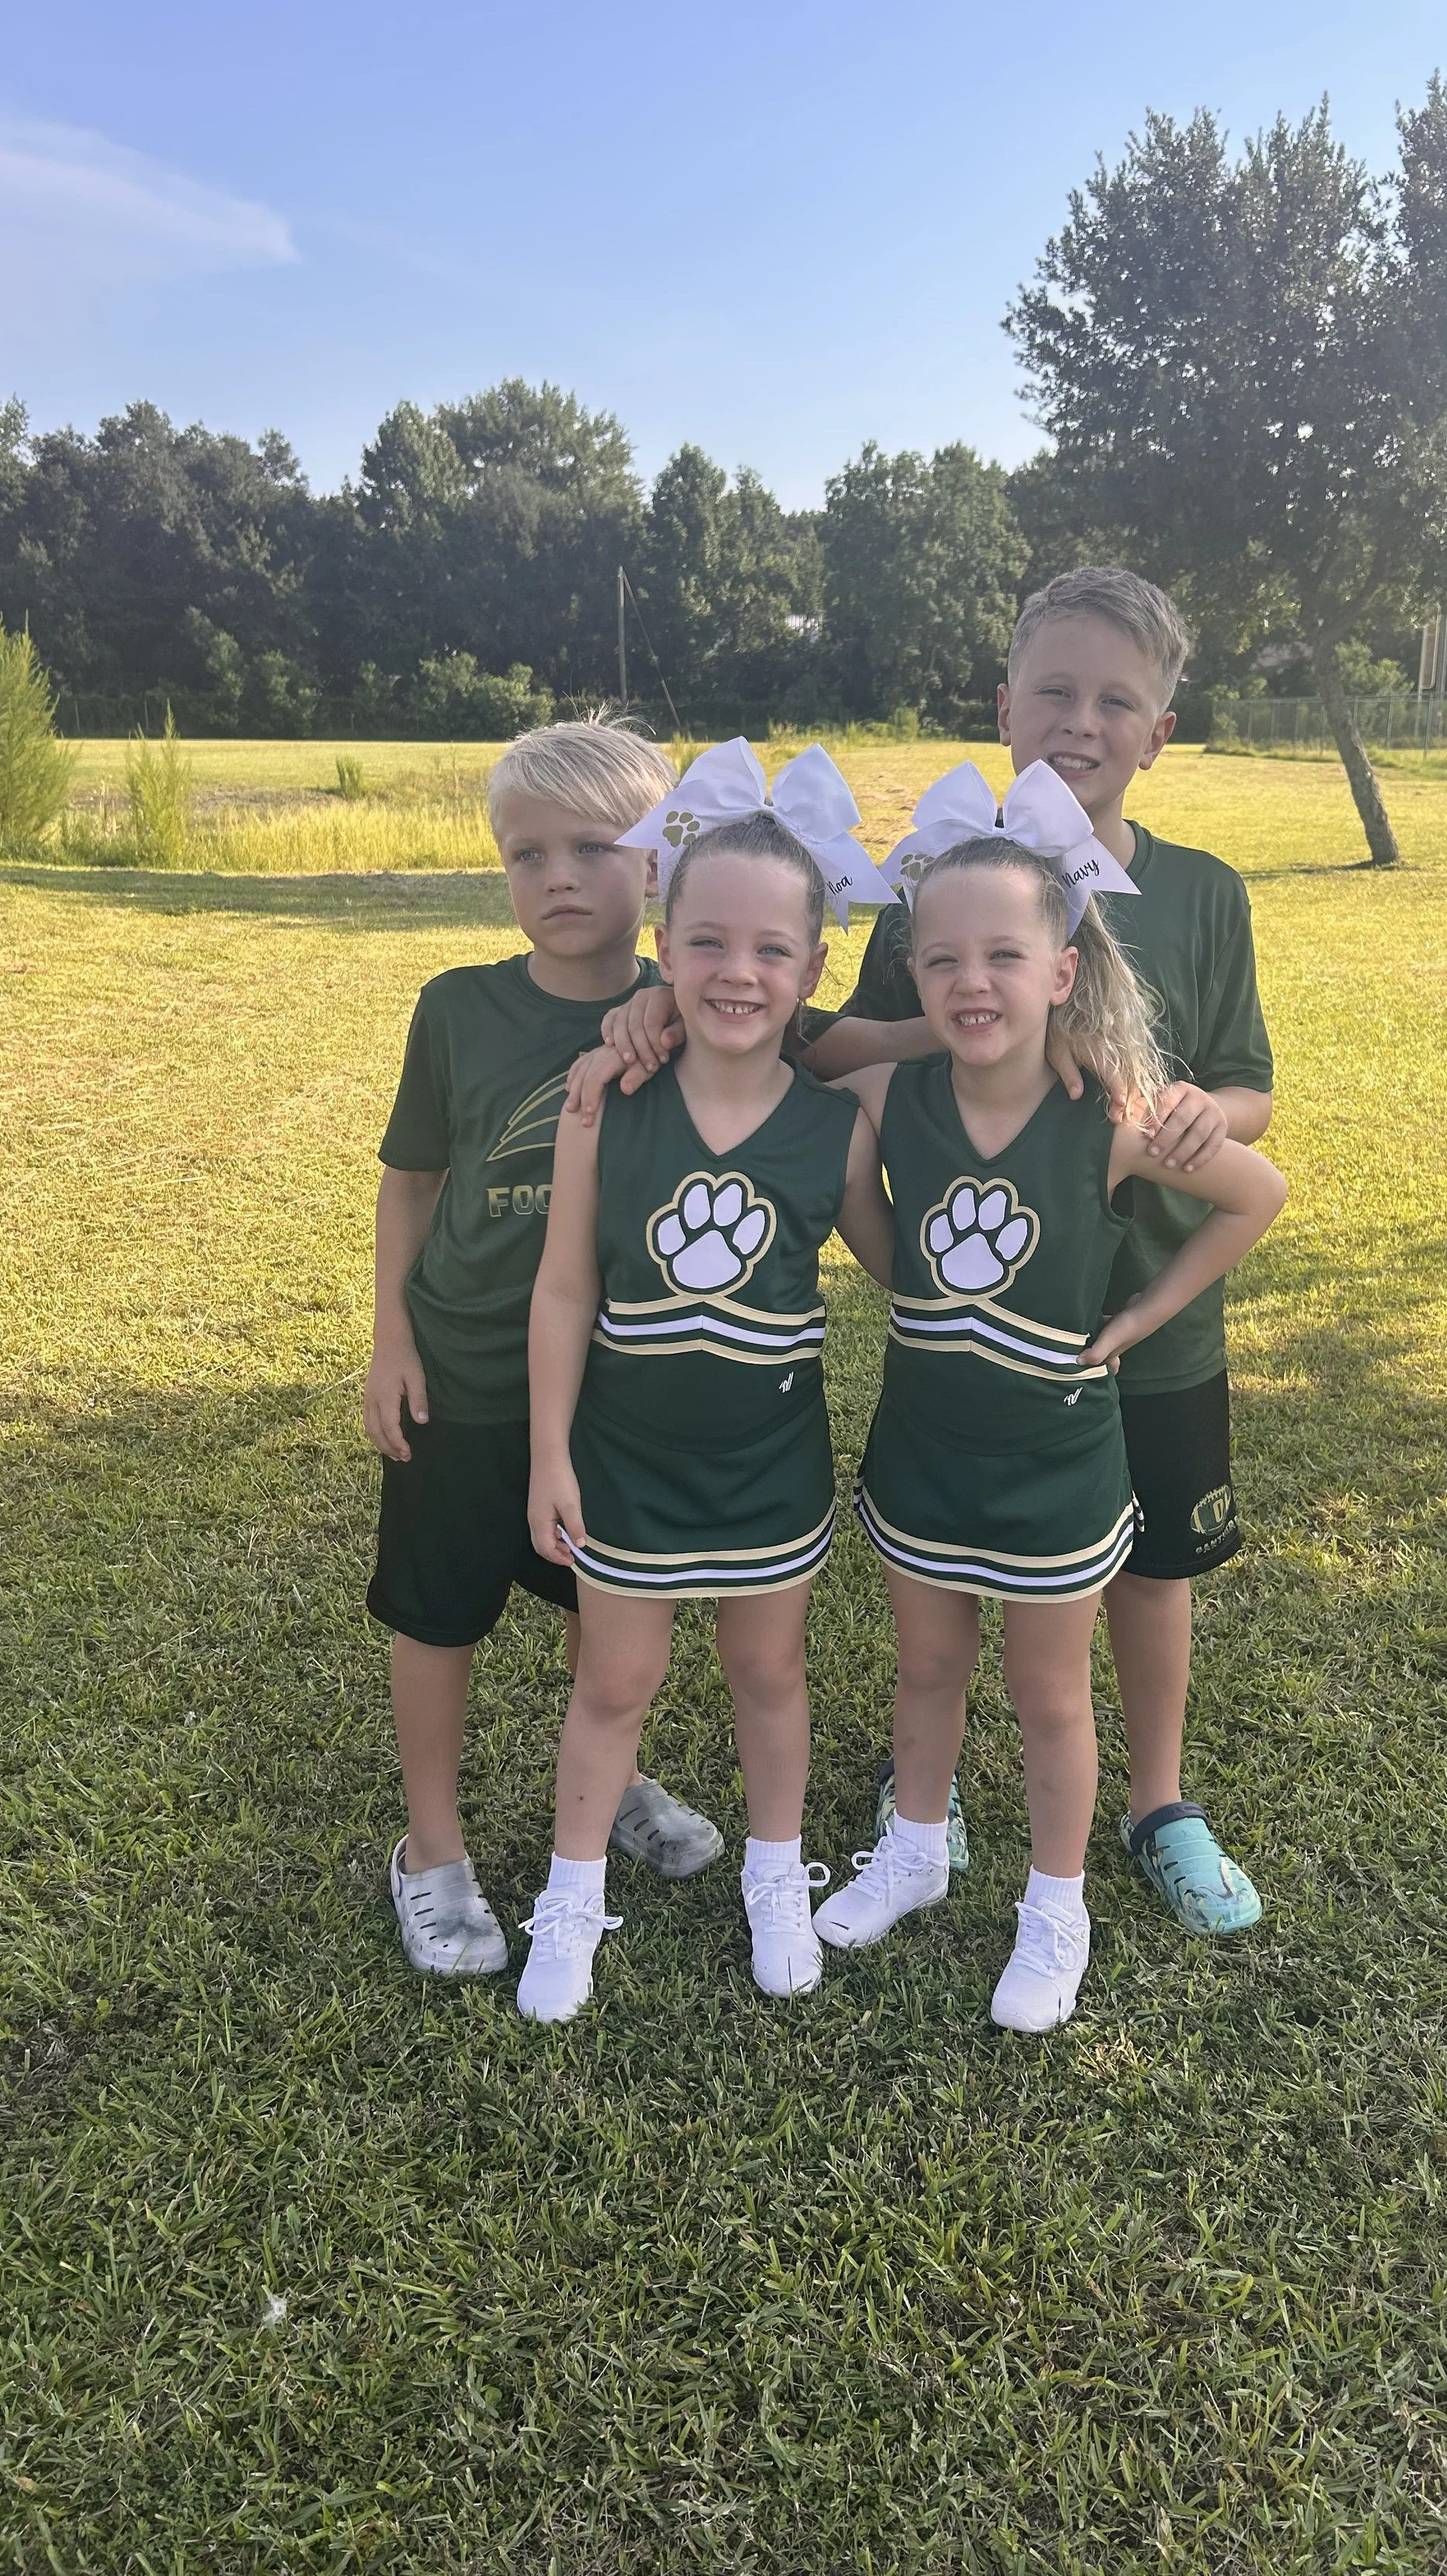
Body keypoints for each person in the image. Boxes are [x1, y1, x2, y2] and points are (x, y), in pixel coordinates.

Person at [585, 568, 1278, 1938]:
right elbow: (822, 1043)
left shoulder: (1204, 892)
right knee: (956, 1580)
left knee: (1141, 1571)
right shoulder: (933, 897)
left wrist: (1172, 1103)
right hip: (978, 1316)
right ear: (1004, 705)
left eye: (1116, 701)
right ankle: (932, 1805)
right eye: (1055, 693)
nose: (1082, 722)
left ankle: (1160, 1805)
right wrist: (991, 1036)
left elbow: (1251, 1092)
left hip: (1142, 1315)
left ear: (1164, 729)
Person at [809, 766, 1286, 2031]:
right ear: (914, 980)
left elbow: (1260, 1194)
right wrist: (891, 1265)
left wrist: (1140, 1316)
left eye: (1005, 957)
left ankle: (1054, 1906)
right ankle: (913, 1853)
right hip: (922, 1448)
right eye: (944, 961)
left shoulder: (1106, 1117)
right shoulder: (894, 1093)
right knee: (923, 1668)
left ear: (1063, 971)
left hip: (1057, 1467)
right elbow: (815, 1087)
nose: (973, 982)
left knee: (1049, 1697)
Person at [519, 745, 895, 2024]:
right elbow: (566, 1290)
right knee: (613, 1683)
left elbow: (909, 1275)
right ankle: (571, 1898)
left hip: (768, 1466)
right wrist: (550, 1452)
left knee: (770, 1675)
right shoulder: (604, 1105)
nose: (741, 972)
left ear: (813, 969)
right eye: (711, 943)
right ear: (664, 952)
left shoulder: (837, 1128)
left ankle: (776, 1876)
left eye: (773, 951)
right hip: (626, 1457)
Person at [363, 719, 722, 1982]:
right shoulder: (456, 1008)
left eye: (591, 846)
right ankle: (433, 1850)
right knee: (439, 1617)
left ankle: (610, 1779)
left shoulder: (698, 1010)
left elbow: (822, 1023)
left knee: (607, 1615)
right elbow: (413, 1185)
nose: (557, 877)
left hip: (623, 1389)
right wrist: (388, 1338)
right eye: (526, 854)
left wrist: (674, 998)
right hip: (464, 1378)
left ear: (661, 865)